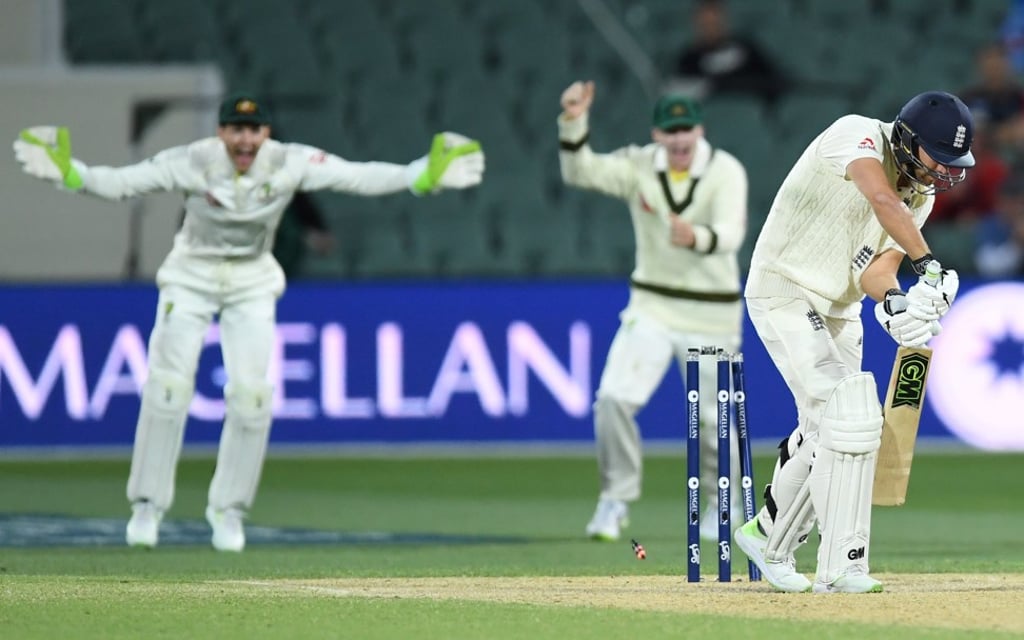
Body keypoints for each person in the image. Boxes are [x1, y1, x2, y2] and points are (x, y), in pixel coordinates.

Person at [12, 92, 485, 552]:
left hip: (252, 280)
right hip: (190, 277)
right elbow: (122, 183)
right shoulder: (193, 160)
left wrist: (421, 175)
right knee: (168, 389)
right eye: (235, 130)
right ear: (221, 133)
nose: (245, 140)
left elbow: (355, 177)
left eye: (253, 129)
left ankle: (229, 511)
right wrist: (69, 173)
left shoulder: (288, 161)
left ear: (266, 132)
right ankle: (147, 508)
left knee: (253, 397)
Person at [733, 91, 973, 593]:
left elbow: (875, 270)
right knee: (846, 418)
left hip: (840, 310)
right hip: (784, 288)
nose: (944, 172)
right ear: (908, 140)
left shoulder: (921, 196)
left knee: (840, 427)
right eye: (939, 158)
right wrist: (929, 267)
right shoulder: (856, 134)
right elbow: (881, 198)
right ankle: (829, 563)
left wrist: (898, 306)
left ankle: (778, 539)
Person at [557, 81, 749, 542]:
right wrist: (573, 121)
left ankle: (726, 504)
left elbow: (731, 234)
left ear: (700, 129)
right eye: (670, 130)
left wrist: (696, 238)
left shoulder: (726, 170)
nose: (680, 139)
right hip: (652, 305)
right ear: (656, 134)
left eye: (686, 129)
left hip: (712, 314)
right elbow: (580, 172)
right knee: (613, 399)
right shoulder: (638, 165)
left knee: (712, 420)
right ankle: (615, 499)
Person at [673, 0, 788, 105]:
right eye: (706, 23)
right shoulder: (688, 58)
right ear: (696, 24)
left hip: (751, 110)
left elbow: (772, 78)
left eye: (715, 22)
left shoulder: (745, 47)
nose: (711, 28)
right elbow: (685, 92)